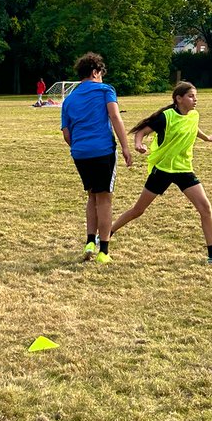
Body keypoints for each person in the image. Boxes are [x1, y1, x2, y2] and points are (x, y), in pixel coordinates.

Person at [110, 81, 212, 264]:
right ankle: (107, 234)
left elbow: (193, 128)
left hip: (184, 169)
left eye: (196, 96)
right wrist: (138, 144)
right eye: (191, 96)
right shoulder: (166, 116)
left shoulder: (194, 115)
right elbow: (142, 131)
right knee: (138, 210)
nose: (195, 100)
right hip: (162, 170)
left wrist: (206, 137)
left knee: (205, 208)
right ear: (179, 98)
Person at [60, 52, 132, 265]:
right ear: (95, 72)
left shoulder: (69, 99)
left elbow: (66, 133)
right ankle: (104, 251)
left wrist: (80, 147)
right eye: (100, 73)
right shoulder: (105, 90)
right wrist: (126, 147)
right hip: (103, 151)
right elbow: (115, 117)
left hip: (80, 153)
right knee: (105, 199)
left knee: (92, 195)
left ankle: (90, 241)